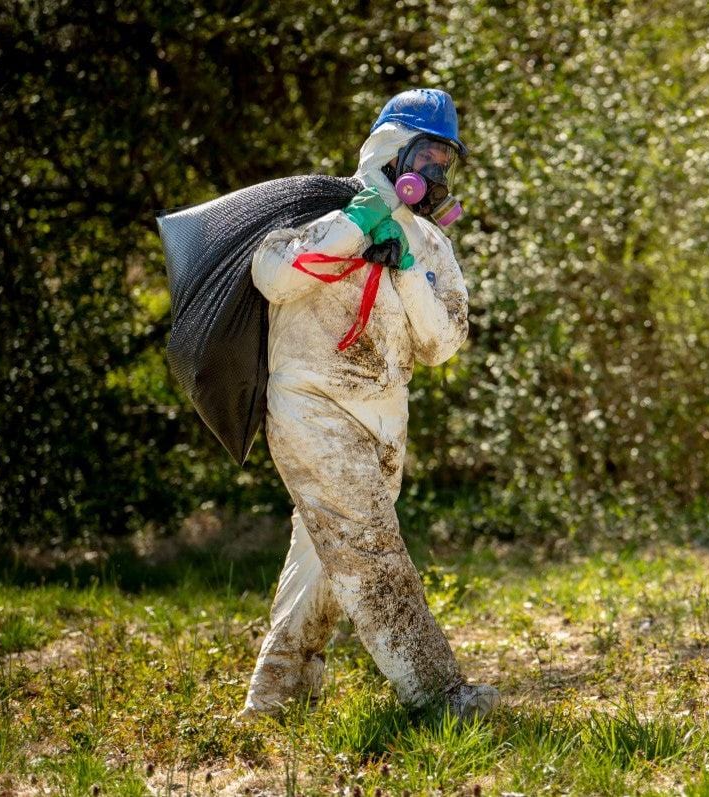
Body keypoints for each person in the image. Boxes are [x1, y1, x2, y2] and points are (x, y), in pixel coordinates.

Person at [239, 89, 500, 721]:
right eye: (426, 153)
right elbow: (274, 276)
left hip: (384, 421)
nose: (435, 172)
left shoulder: (433, 246)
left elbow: (441, 342)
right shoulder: (320, 216)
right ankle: (435, 694)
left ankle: (275, 700)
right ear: (389, 147)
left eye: (445, 159)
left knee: (323, 564)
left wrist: (406, 263)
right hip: (311, 406)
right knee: (368, 546)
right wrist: (359, 225)